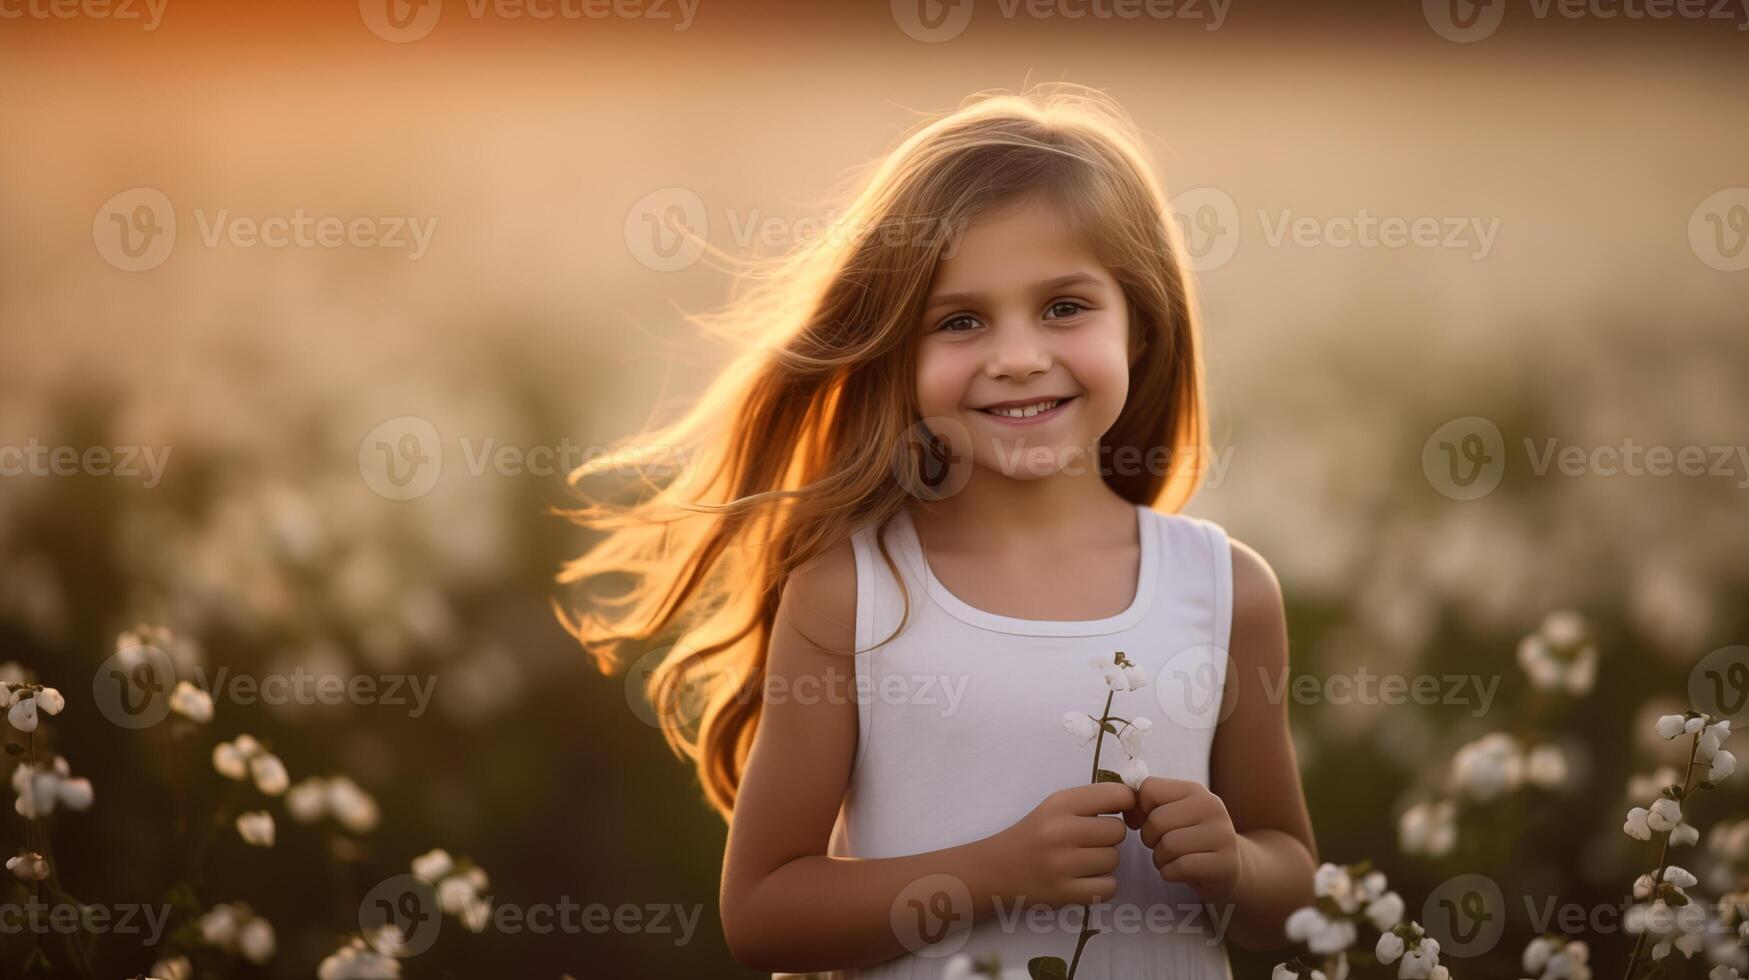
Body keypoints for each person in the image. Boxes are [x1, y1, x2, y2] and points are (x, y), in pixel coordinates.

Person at [557, 84, 1317, 979]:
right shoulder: (852, 593)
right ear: (895, 354)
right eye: (960, 321)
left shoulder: (1226, 589)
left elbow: (1293, 890)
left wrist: (1236, 866)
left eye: (1064, 307)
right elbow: (764, 913)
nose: (1018, 355)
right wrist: (990, 873)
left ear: (1141, 328)